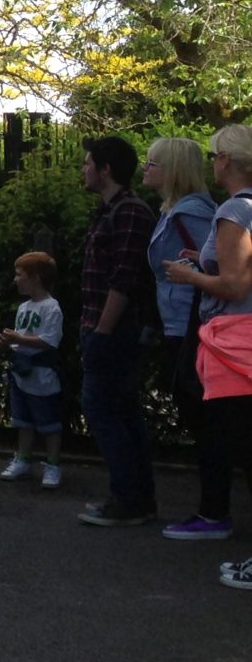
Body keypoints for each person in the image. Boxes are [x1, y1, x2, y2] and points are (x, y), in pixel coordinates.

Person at [163, 123, 252, 584]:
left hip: (234, 345)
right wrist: (204, 261)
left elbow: (235, 286)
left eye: (215, 155)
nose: (212, 162)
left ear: (226, 161)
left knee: (239, 443)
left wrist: (190, 276)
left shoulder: (235, 210)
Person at [75, 135, 159, 526]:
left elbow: (124, 278)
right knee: (123, 411)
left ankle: (127, 498)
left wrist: (102, 332)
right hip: (104, 326)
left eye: (89, 162)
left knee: (103, 409)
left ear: (106, 169)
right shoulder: (111, 210)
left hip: (116, 330)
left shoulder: (129, 212)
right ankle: (137, 498)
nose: (84, 168)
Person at [144, 136, 224, 541]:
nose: (145, 169)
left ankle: (214, 512)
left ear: (173, 170)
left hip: (192, 326)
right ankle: (212, 509)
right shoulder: (175, 211)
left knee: (206, 420)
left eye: (153, 163)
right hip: (179, 322)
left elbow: (220, 265)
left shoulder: (191, 213)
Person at [0, 251, 65, 488]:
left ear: (35, 277)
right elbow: (21, 339)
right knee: (22, 420)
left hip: (42, 375)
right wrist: (8, 342)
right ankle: (23, 459)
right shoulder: (24, 307)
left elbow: (49, 341)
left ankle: (53, 465)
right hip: (21, 373)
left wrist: (18, 339)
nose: (16, 280)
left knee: (49, 423)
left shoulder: (51, 307)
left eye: (19, 275)